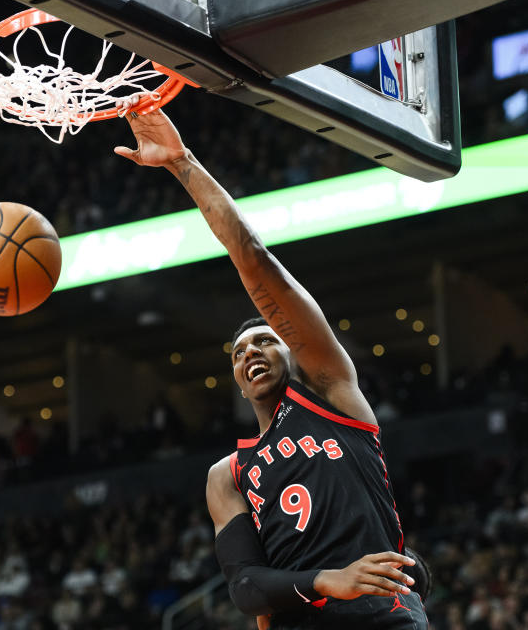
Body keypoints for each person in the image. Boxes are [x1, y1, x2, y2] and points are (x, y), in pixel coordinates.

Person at [114, 104, 427, 629]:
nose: (250, 353)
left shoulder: (332, 395)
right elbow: (246, 587)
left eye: (265, 340)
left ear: (293, 352)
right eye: (238, 353)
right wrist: (327, 579)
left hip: (382, 619)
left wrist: (181, 163)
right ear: (236, 381)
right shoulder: (227, 475)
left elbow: (252, 255)